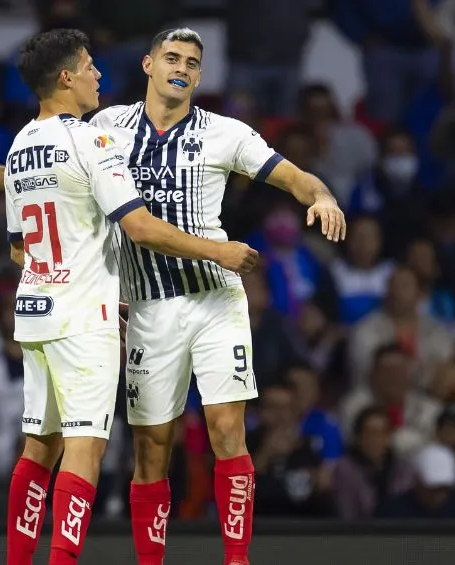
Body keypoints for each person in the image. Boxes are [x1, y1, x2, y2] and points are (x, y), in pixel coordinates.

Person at [0, 29, 259, 565]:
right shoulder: (92, 139)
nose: (98, 75)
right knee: (85, 451)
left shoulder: (21, 144)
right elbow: (139, 227)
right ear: (66, 77)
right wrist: (217, 252)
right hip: (85, 321)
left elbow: (20, 249)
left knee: (38, 447)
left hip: (35, 313)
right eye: (89, 66)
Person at [88, 28, 345, 565]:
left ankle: (236, 559)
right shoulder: (107, 126)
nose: (182, 67)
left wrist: (321, 197)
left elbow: (294, 178)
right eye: (172, 57)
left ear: (199, 77)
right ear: (149, 64)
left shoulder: (225, 134)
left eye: (193, 62)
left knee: (227, 426)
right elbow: (56, 180)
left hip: (215, 300)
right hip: (148, 304)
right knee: (152, 444)